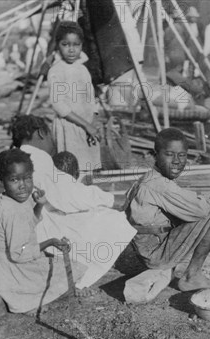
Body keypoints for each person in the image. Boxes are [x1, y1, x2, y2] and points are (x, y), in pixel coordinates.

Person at [10, 115, 137, 295]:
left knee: (94, 211)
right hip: (42, 230)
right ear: (40, 133)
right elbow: (67, 195)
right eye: (50, 137)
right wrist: (111, 200)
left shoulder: (18, 158)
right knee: (114, 218)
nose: (53, 143)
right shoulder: (36, 159)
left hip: (30, 227)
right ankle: (79, 276)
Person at [124, 128, 210, 292]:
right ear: (155, 155)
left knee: (186, 211)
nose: (177, 161)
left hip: (148, 245)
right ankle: (191, 277)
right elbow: (201, 209)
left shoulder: (151, 177)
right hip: (154, 253)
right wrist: (202, 199)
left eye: (182, 155)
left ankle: (181, 265)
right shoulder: (159, 185)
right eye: (169, 154)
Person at [0, 148, 71, 321]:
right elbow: (19, 253)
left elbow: (28, 224)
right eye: (14, 179)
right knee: (59, 278)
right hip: (12, 263)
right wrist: (48, 242)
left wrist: (39, 205)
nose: (23, 185)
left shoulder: (14, 199)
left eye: (27, 178)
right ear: (2, 180)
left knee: (57, 271)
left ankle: (5, 297)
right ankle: (18, 300)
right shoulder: (11, 211)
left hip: (15, 258)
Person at [46, 21, 101, 172]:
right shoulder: (57, 71)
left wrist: (93, 123)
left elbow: (91, 98)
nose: (71, 50)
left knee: (89, 169)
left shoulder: (83, 69)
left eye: (76, 45)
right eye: (66, 44)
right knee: (72, 171)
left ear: (82, 45)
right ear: (58, 45)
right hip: (69, 126)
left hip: (88, 125)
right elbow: (59, 105)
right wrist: (86, 125)